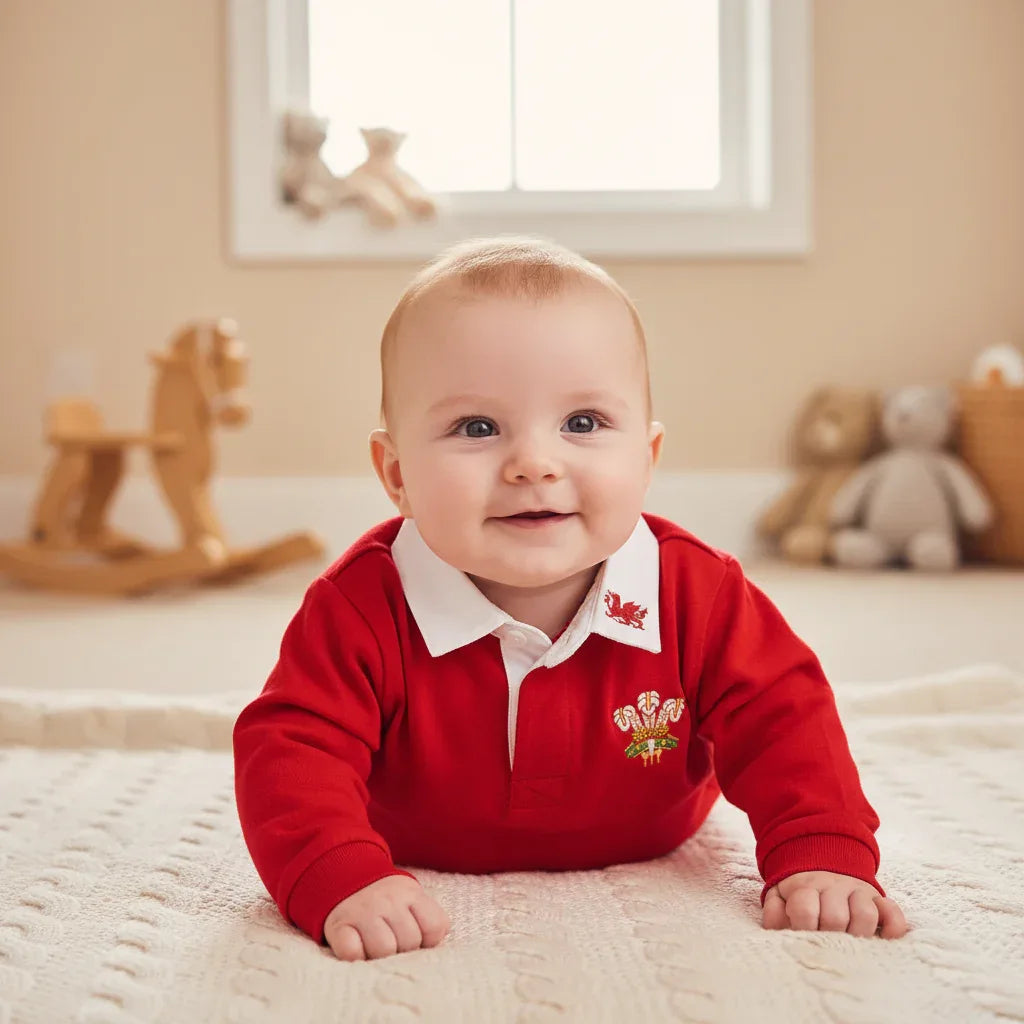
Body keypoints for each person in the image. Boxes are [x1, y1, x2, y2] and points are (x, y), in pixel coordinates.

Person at [233, 236, 909, 961]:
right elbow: (292, 749)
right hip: (412, 839)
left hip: (654, 832)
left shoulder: (697, 591)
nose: (534, 464)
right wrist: (336, 874)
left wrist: (819, 848)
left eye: (582, 423)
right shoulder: (360, 604)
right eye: (477, 427)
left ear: (645, 460)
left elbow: (785, 717)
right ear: (396, 472)